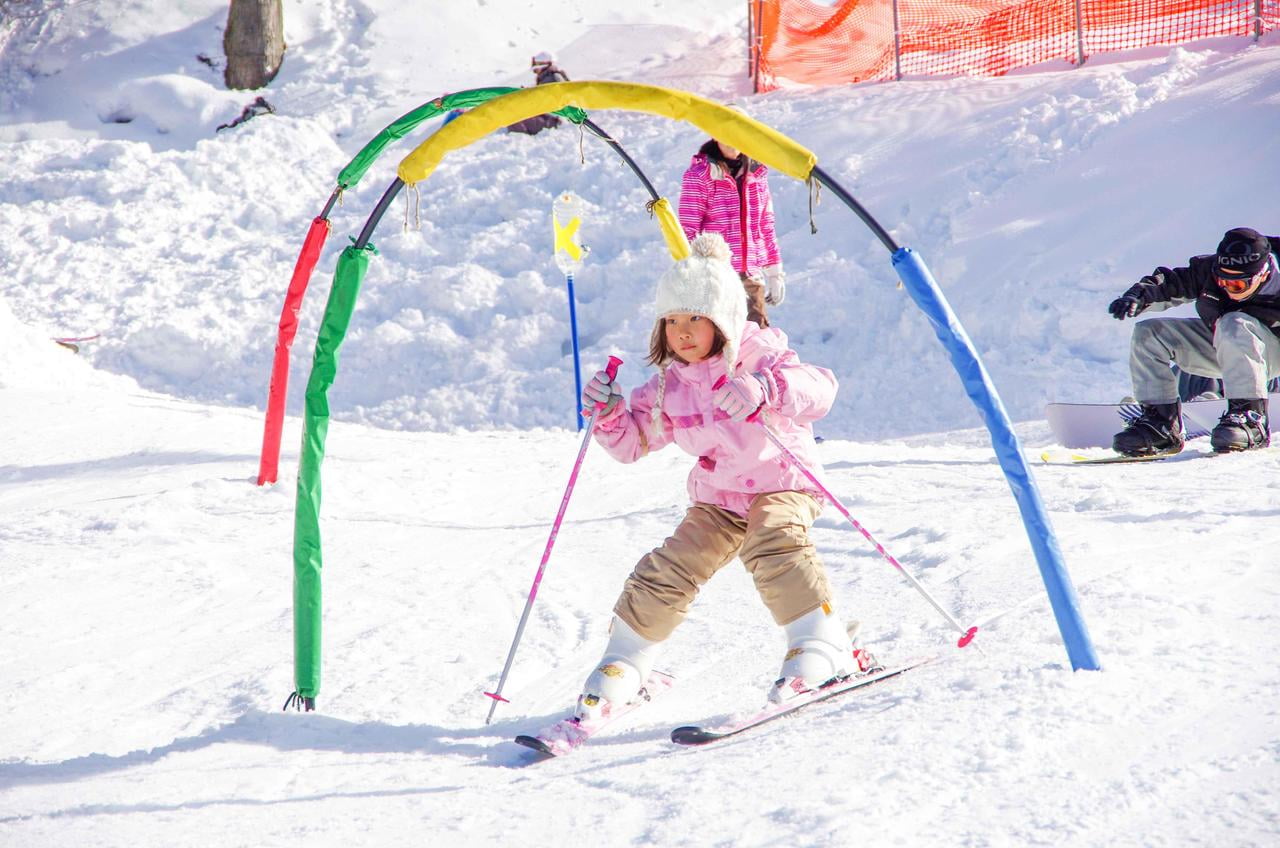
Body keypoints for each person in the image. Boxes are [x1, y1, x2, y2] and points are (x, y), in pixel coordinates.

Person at [571, 232, 877, 723]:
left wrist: (766, 388)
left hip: (782, 482)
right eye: (671, 320)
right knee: (671, 565)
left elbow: (820, 390)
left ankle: (820, 645)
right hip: (719, 497)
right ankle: (626, 663)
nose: (683, 332)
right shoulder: (670, 383)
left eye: (695, 317)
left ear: (724, 319)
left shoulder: (761, 356)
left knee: (772, 541)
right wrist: (609, 415)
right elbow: (633, 445)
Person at [1108, 226, 1279, 455]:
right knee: (1149, 333)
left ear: (1263, 273)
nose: (1229, 289)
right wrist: (1137, 296)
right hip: (1231, 346)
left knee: (1235, 322)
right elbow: (1169, 282)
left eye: (1238, 285)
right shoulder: (1207, 271)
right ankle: (1161, 426)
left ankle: (1250, 419)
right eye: (1223, 281)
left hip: (1271, 349)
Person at [677, 114, 784, 328]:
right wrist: (694, 271)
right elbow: (688, 230)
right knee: (718, 341)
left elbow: (765, 225)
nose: (732, 139)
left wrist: (774, 272)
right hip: (715, 276)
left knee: (757, 339)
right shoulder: (700, 175)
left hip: (750, 276)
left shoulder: (757, 173)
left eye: (738, 132)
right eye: (725, 132)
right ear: (715, 135)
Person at [506, 51, 569, 136]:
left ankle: (520, 138)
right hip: (550, 117)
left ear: (543, 66)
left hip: (553, 119)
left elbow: (550, 102)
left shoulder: (553, 78)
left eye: (536, 69)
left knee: (513, 118)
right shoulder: (549, 77)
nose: (536, 72)